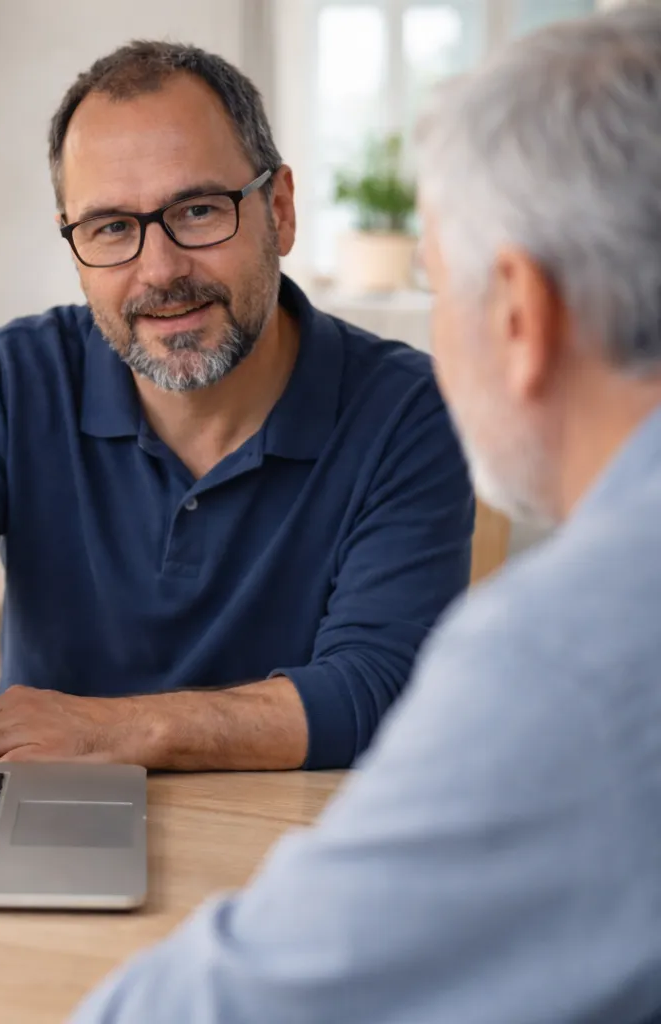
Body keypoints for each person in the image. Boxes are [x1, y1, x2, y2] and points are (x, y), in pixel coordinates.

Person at [69, 6, 661, 1022]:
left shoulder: (566, 650)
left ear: (516, 312)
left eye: (438, 281)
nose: (158, 264)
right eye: (112, 227)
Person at [0, 42, 473, 771]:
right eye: (111, 227)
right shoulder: (15, 378)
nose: (160, 271)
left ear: (280, 210)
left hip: (293, 850)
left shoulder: (411, 411)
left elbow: (381, 692)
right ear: (75, 246)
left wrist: (114, 731)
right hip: (38, 843)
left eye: (199, 211)